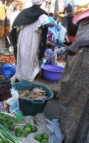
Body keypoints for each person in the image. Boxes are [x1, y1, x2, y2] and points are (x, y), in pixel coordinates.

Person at [58, 9, 89, 143]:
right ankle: (66, 132)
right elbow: (73, 33)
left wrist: (80, 44)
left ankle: (76, 137)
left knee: (82, 107)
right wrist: (69, 17)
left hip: (86, 75)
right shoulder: (85, 18)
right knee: (71, 100)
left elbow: (79, 41)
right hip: (76, 68)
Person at [10, 0, 54, 82]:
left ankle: (19, 76)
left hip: (22, 37)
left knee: (22, 56)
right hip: (33, 38)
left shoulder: (24, 13)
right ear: (41, 3)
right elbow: (45, 23)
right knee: (29, 57)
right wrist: (52, 23)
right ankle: (26, 78)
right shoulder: (42, 14)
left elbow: (15, 24)